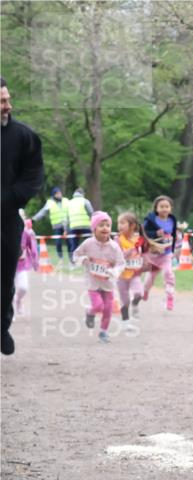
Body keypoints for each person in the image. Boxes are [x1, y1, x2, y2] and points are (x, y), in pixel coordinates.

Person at [1, 76, 46, 356]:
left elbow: (33, 177)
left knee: (5, 277)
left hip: (6, 218)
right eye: (2, 102)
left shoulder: (25, 137)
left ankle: (2, 325)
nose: (8, 105)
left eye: (7, 99)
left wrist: (7, 198)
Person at [72, 212, 125, 344]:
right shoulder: (88, 243)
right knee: (98, 306)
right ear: (94, 228)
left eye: (107, 225)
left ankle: (103, 332)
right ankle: (90, 312)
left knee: (108, 308)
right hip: (93, 282)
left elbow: (121, 263)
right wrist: (82, 259)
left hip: (108, 283)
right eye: (101, 225)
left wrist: (115, 271)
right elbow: (76, 255)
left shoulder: (114, 247)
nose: (105, 228)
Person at [141, 195, 178, 311]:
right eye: (161, 206)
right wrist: (156, 233)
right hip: (153, 254)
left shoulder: (172, 220)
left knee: (168, 273)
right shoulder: (151, 220)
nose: (164, 209)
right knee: (150, 279)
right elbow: (143, 232)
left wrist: (173, 249)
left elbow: (173, 235)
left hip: (166, 254)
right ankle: (145, 290)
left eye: (167, 206)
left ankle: (170, 296)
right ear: (156, 208)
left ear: (170, 208)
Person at [116, 212, 146, 327]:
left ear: (132, 225)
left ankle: (135, 304)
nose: (119, 226)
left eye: (122, 223)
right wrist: (127, 253)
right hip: (121, 276)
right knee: (125, 301)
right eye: (118, 223)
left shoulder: (139, 239)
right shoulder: (117, 240)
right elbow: (117, 255)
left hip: (135, 274)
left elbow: (145, 252)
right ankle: (125, 321)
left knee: (139, 293)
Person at [30, 187, 71, 263]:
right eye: (57, 193)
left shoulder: (66, 201)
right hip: (56, 226)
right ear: (54, 195)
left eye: (60, 193)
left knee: (69, 242)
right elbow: (42, 212)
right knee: (58, 243)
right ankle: (60, 258)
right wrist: (33, 219)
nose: (60, 195)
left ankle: (71, 259)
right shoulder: (50, 202)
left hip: (66, 226)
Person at [14, 218, 39, 317]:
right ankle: (11, 313)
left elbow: (33, 248)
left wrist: (35, 262)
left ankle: (18, 300)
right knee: (7, 291)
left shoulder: (26, 234)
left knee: (23, 288)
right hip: (6, 266)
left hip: (21, 265)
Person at [65, 188, 95, 261]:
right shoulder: (85, 201)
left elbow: (66, 218)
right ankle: (91, 260)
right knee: (89, 244)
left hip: (73, 227)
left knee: (74, 245)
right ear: (83, 194)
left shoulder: (69, 203)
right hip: (85, 226)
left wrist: (66, 229)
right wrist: (94, 226)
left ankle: (73, 262)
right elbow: (92, 213)